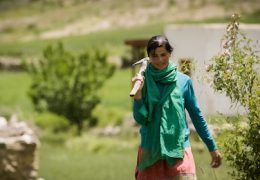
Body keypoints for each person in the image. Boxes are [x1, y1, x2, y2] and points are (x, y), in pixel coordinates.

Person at [131, 35, 222, 180]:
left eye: (163, 55)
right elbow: (140, 118)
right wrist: (138, 95)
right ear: (148, 56)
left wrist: (212, 147)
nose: (160, 60)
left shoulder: (183, 81)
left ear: (170, 54)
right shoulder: (143, 82)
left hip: (179, 151)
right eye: (154, 56)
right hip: (150, 152)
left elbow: (196, 117)